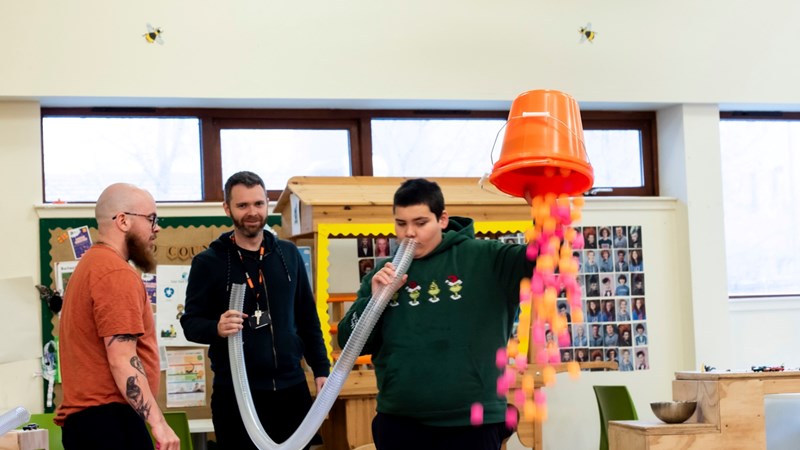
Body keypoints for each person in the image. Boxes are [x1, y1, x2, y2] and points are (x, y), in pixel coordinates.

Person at [337, 178, 534, 450]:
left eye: (420, 223)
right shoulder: (383, 274)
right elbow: (349, 343)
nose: (409, 233)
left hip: (472, 424)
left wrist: (543, 210)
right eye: (401, 223)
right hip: (400, 423)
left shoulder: (486, 258)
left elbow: (544, 260)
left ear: (442, 219)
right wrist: (373, 300)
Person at [180, 171, 330, 450]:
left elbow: (308, 318)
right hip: (237, 394)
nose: (252, 212)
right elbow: (190, 323)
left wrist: (321, 369)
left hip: (291, 389)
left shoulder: (288, 254)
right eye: (243, 205)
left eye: (259, 203)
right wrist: (216, 327)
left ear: (267, 205)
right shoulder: (209, 262)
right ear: (227, 208)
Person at [55, 183, 179, 450]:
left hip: (93, 424)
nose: (156, 228)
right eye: (151, 219)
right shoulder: (115, 273)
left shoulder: (91, 265)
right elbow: (122, 359)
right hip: (109, 422)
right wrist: (159, 423)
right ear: (123, 221)